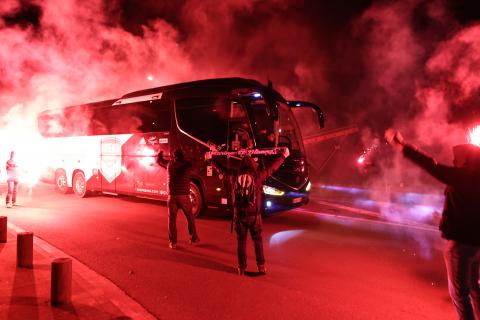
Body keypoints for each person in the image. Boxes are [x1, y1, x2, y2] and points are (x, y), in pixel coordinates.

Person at [385, 128, 480, 320]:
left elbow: (431, 165)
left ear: (465, 160)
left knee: (459, 294)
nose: (454, 162)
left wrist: (403, 146)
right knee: (473, 287)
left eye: (457, 159)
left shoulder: (462, 176)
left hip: (460, 245)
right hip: (476, 243)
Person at [206, 147, 289, 275]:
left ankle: (242, 267)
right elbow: (271, 168)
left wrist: (211, 160)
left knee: (241, 241)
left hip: (239, 216)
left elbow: (221, 169)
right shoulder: (258, 176)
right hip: (255, 216)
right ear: (252, 164)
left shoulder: (234, 175)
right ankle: (261, 266)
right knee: (257, 240)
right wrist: (283, 156)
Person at [157, 148, 200, 249]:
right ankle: (194, 238)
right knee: (190, 217)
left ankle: (173, 242)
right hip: (184, 196)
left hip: (172, 196)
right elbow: (195, 162)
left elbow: (160, 161)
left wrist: (160, 154)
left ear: (174, 156)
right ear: (182, 156)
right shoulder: (187, 165)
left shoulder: (169, 164)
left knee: (172, 220)